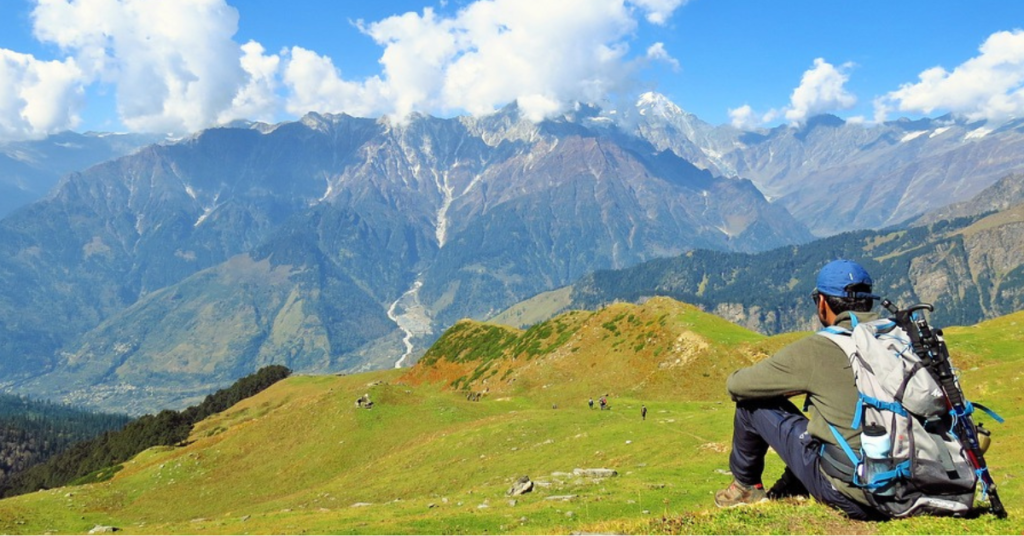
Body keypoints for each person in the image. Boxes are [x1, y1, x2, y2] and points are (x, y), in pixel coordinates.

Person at [714, 259, 886, 521]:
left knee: (751, 404)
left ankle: (745, 489)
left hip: (857, 495)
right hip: (923, 483)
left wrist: (786, 388)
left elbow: (737, 386)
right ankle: (787, 490)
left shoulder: (821, 348)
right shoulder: (906, 340)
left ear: (822, 303)